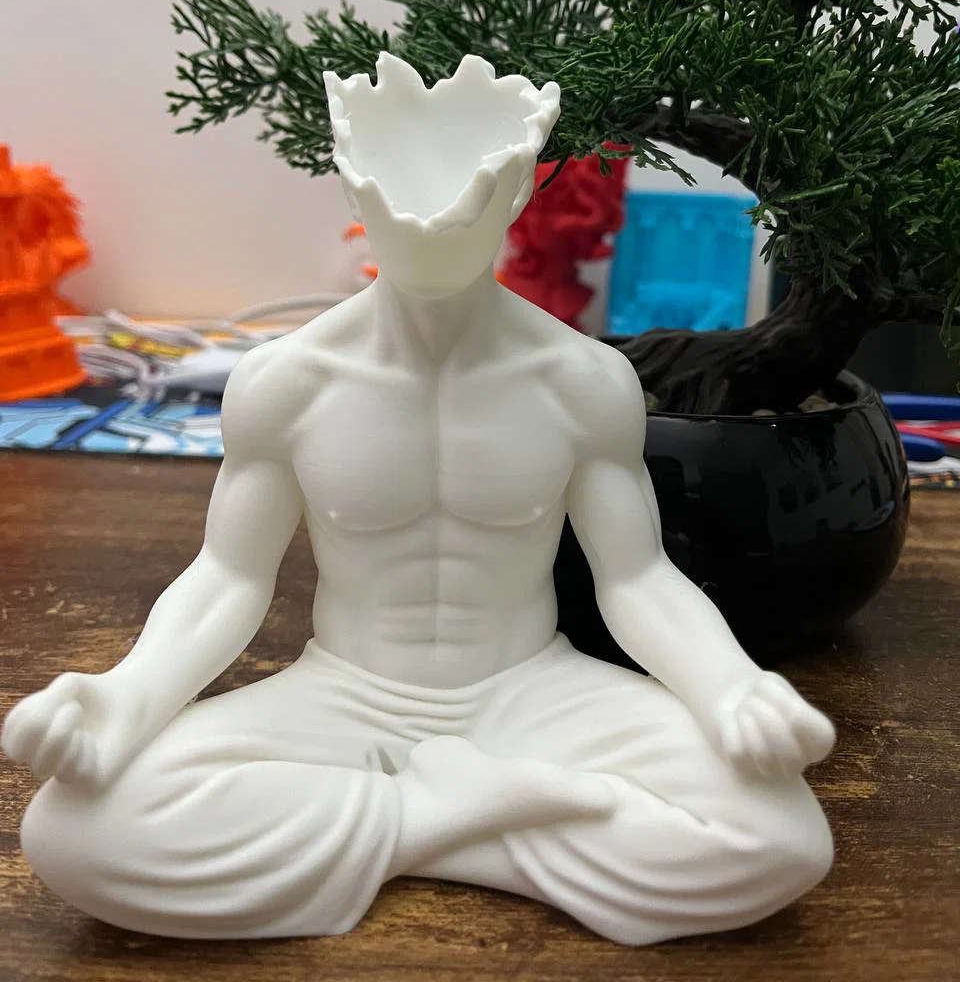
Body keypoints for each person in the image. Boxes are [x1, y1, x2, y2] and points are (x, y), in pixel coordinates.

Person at [2, 55, 834, 944]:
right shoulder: (288, 382)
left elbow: (636, 578)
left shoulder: (583, 381)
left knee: (777, 838)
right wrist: (125, 696)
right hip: (346, 696)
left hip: (534, 691)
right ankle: (462, 816)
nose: (432, 232)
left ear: (518, 194)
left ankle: (387, 828)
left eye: (467, 208)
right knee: (77, 832)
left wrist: (729, 687)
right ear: (352, 193)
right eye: (398, 206)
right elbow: (228, 577)